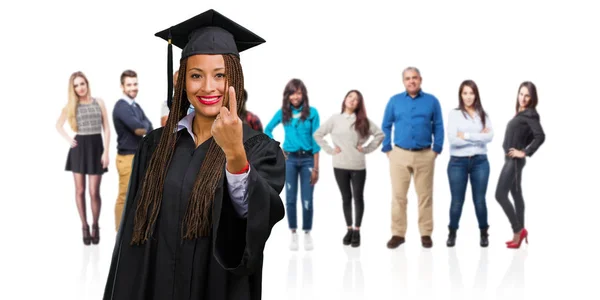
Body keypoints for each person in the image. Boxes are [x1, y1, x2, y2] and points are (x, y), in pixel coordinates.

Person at [102, 9, 285, 300]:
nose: (208, 87)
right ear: (181, 81)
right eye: (196, 75)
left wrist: (235, 154)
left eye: (220, 75)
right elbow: (131, 242)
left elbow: (254, 225)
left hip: (215, 289)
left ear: (234, 78)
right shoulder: (155, 146)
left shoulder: (259, 149)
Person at [381, 66, 444, 249]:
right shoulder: (394, 101)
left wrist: (436, 150)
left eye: (414, 77)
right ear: (403, 81)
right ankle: (398, 234)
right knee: (398, 196)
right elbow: (386, 125)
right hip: (399, 155)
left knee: (425, 196)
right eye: (408, 78)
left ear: (421, 79)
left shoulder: (432, 101)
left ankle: (425, 233)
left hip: (425, 155)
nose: (411, 81)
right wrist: (388, 149)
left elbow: (438, 126)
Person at [313, 90, 384, 247]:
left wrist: (365, 149)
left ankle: (357, 230)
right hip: (340, 165)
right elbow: (318, 134)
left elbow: (379, 135)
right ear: (345, 99)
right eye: (350, 97)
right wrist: (331, 150)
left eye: (356, 99)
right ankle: (349, 229)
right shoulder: (335, 119)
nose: (352, 101)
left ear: (359, 104)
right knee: (346, 198)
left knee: (358, 198)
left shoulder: (363, 120)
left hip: (358, 165)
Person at [264, 78, 320, 251]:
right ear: (287, 96)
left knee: (307, 198)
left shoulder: (312, 112)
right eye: (292, 93)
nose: (295, 96)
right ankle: (294, 233)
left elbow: (316, 140)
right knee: (289, 198)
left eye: (298, 92)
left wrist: (316, 168)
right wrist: (278, 150)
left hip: (308, 160)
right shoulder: (283, 112)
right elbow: (267, 129)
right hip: (290, 160)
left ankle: (307, 232)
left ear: (303, 94)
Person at [56, 71, 110, 245]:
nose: (80, 88)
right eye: (76, 85)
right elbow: (58, 125)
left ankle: (95, 225)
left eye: (82, 84)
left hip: (96, 147)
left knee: (94, 192)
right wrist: (68, 138)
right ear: (73, 88)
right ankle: (84, 226)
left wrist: (106, 152)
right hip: (79, 149)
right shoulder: (71, 106)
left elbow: (106, 128)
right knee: (80, 191)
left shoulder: (99, 102)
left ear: (87, 83)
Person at [495, 81, 545, 249]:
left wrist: (524, 151)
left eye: (527, 95)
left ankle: (518, 230)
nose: (523, 98)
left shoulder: (530, 114)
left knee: (500, 195)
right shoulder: (521, 113)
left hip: (515, 161)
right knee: (516, 194)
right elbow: (529, 135)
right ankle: (518, 235)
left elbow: (540, 136)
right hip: (510, 159)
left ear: (532, 98)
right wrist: (522, 146)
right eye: (521, 94)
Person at [445, 80, 494, 247]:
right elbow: (452, 139)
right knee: (457, 201)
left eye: (471, 93)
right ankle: (452, 232)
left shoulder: (483, 114)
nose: (468, 97)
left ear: (476, 95)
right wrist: (478, 136)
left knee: (480, 200)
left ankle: (484, 233)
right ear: (460, 95)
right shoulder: (454, 114)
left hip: (480, 162)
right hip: (457, 162)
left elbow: (489, 137)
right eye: (465, 93)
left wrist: (465, 136)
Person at [112, 69, 153, 231]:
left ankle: (131, 230)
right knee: (124, 196)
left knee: (138, 194)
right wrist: (142, 126)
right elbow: (138, 129)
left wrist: (143, 126)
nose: (133, 87)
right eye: (129, 85)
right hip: (127, 158)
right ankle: (119, 232)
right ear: (122, 87)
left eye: (135, 84)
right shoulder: (121, 107)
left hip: (137, 156)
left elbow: (149, 125)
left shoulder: (134, 106)